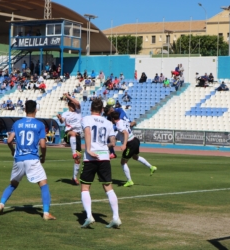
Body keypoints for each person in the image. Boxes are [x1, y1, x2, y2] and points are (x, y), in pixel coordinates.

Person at [0, 100, 56, 220]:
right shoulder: (39, 125)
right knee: (43, 185)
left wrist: (12, 151)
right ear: (35, 110)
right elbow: (43, 145)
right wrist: (43, 157)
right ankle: (46, 213)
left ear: (25, 110)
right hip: (32, 158)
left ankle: (1, 204)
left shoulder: (17, 124)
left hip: (18, 159)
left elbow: (9, 141)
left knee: (13, 185)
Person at [80, 98, 121, 228]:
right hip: (104, 157)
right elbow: (113, 142)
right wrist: (104, 145)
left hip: (91, 158)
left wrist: (89, 149)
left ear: (91, 108)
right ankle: (116, 217)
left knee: (85, 187)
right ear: (102, 110)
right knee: (108, 187)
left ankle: (89, 216)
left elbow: (87, 132)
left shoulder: (86, 119)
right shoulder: (108, 122)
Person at [110, 111, 157, 187]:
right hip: (135, 140)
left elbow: (125, 133)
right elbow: (130, 124)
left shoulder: (118, 125)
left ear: (112, 118)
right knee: (135, 157)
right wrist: (134, 123)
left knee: (123, 162)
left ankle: (129, 181)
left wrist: (124, 145)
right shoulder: (123, 121)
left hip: (130, 143)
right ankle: (151, 167)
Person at [57, 94, 82, 185]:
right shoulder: (65, 113)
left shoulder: (78, 111)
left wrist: (68, 96)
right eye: (71, 104)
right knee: (72, 133)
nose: (73, 106)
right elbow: (62, 121)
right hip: (69, 134)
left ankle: (74, 178)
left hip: (77, 137)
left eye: (73, 104)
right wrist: (60, 118)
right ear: (68, 106)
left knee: (78, 159)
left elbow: (77, 103)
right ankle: (73, 153)